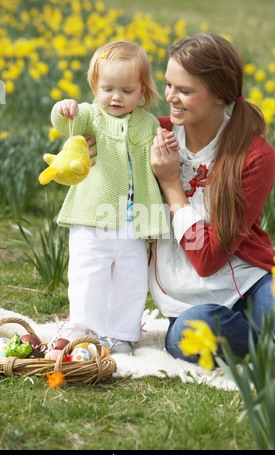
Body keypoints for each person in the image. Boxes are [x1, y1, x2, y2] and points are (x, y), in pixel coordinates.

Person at [149, 32, 275, 362]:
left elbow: (208, 259)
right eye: (169, 85)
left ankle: (273, 339)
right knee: (191, 332)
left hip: (250, 284)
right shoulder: (153, 136)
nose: (171, 97)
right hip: (187, 300)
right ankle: (269, 347)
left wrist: (171, 184)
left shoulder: (253, 154)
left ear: (219, 96)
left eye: (185, 90)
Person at [50, 40, 177, 354]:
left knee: (130, 278)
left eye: (127, 90)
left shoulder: (147, 123)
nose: (116, 97)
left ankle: (121, 333)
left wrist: (166, 143)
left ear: (143, 93)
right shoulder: (90, 116)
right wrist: (64, 108)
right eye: (108, 88)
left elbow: (159, 152)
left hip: (133, 223)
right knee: (87, 271)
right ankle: (83, 326)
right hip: (94, 215)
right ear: (95, 87)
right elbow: (66, 121)